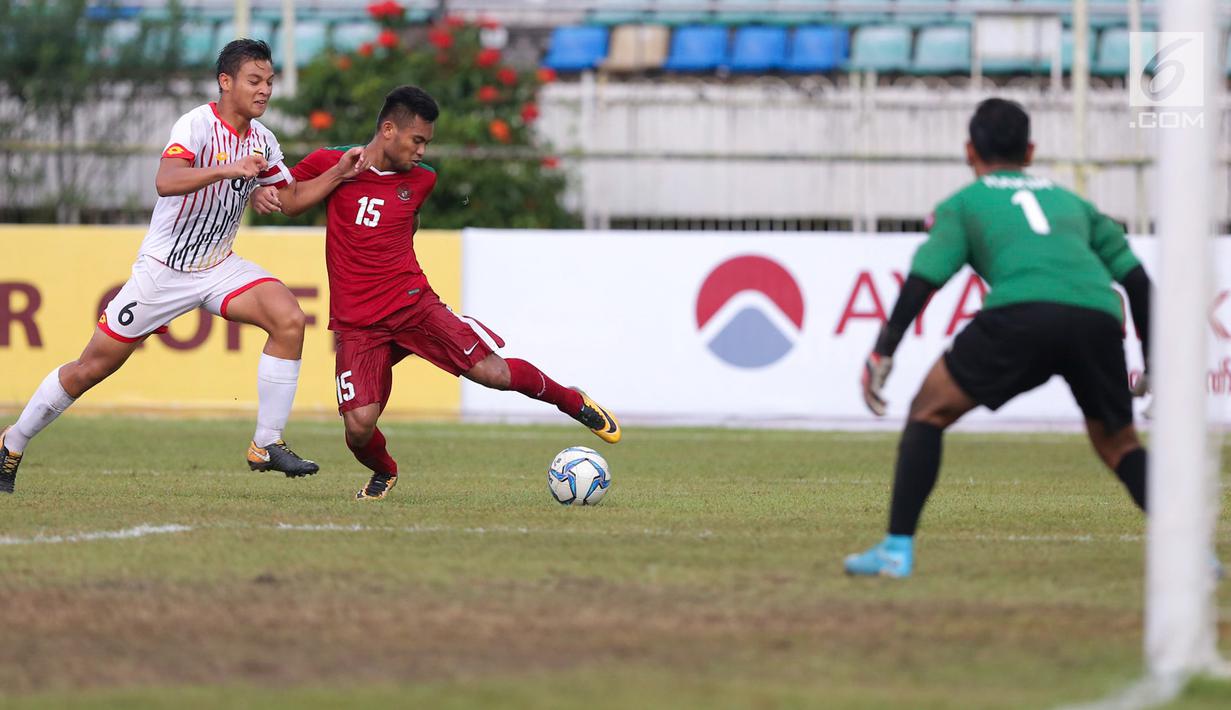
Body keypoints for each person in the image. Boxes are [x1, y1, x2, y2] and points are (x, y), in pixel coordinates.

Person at [0, 39, 367, 494]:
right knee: (90, 368)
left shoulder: (264, 140)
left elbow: (290, 199)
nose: (265, 90)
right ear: (225, 82)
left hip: (218, 266)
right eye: (255, 80)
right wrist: (229, 170)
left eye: (270, 81)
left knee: (289, 319)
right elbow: (165, 181)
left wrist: (337, 175)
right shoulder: (195, 125)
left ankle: (265, 443)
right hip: (164, 270)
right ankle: (11, 442)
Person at [845, 98, 1152, 577]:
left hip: (1021, 315)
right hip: (1096, 318)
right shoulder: (1073, 203)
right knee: (1120, 446)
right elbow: (1137, 282)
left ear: (970, 151)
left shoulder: (965, 204)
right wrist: (1153, 361)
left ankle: (895, 550)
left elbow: (924, 279)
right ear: (1030, 151)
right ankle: (1191, 553)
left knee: (928, 411)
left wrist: (883, 351)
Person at [270, 85, 621, 501]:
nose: (422, 151)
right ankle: (385, 471)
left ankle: (571, 401)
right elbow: (289, 202)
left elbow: (406, 225)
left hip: (413, 306)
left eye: (427, 143)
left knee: (493, 373)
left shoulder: (422, 180)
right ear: (387, 130)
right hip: (358, 324)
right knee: (359, 426)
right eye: (416, 140)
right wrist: (338, 175)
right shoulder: (330, 161)